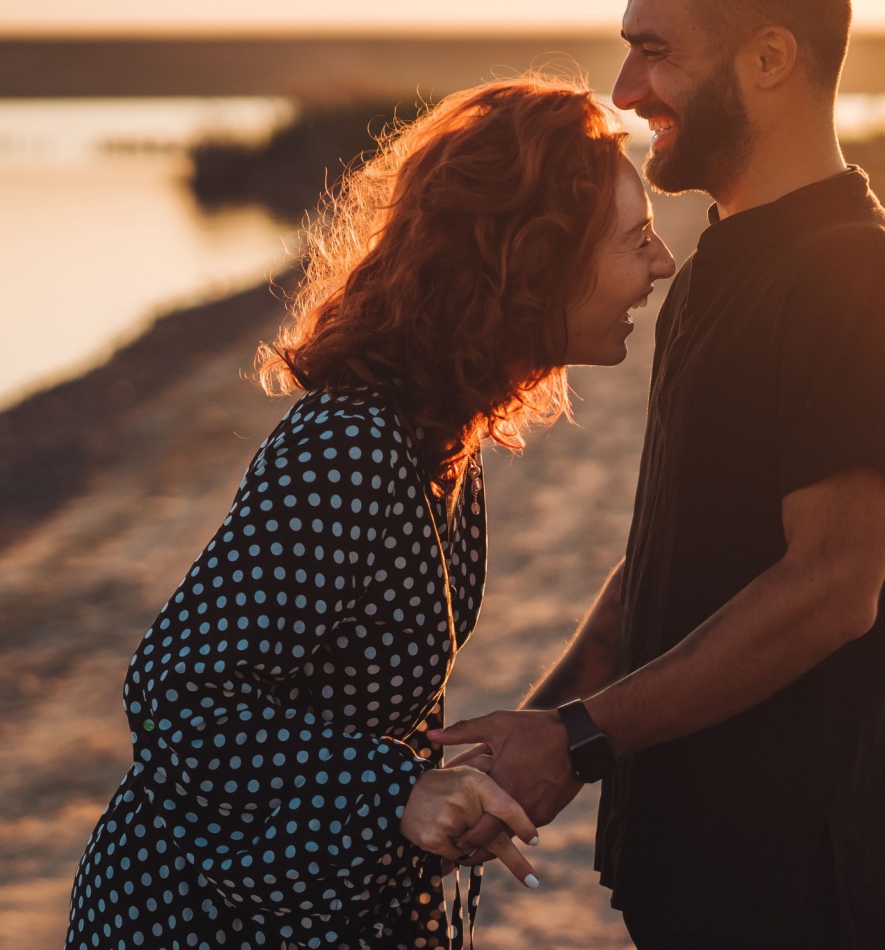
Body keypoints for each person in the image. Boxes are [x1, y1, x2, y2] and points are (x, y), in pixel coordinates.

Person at [431, 0, 885, 949]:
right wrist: (529, 751)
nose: (626, 94)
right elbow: (669, 562)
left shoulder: (862, 278)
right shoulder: (723, 262)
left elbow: (829, 591)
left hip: (802, 898)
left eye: (654, 53)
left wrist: (576, 740)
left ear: (770, 60)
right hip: (691, 876)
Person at [65, 75, 677, 950]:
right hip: (202, 916)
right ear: (535, 262)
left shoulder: (442, 437)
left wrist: (464, 777)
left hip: (311, 899)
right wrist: (398, 792)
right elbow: (174, 696)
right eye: (638, 238)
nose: (661, 263)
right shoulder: (349, 445)